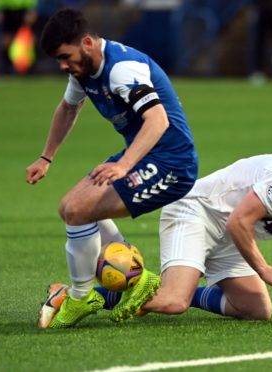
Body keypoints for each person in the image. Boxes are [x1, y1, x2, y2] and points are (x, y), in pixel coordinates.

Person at [45, 144, 272, 325]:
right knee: (173, 303)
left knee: (255, 309)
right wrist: (264, 270)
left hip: (229, 236)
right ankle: (78, 294)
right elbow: (239, 221)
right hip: (196, 213)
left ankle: (160, 283)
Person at [27, 8, 198, 329]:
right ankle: (138, 278)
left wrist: (123, 164)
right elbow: (68, 108)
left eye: (65, 56)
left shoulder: (122, 70)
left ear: (87, 43)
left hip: (172, 163)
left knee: (79, 211)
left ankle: (82, 297)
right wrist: (46, 157)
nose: (63, 66)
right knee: (67, 208)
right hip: (143, 156)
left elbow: (157, 120)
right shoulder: (83, 71)